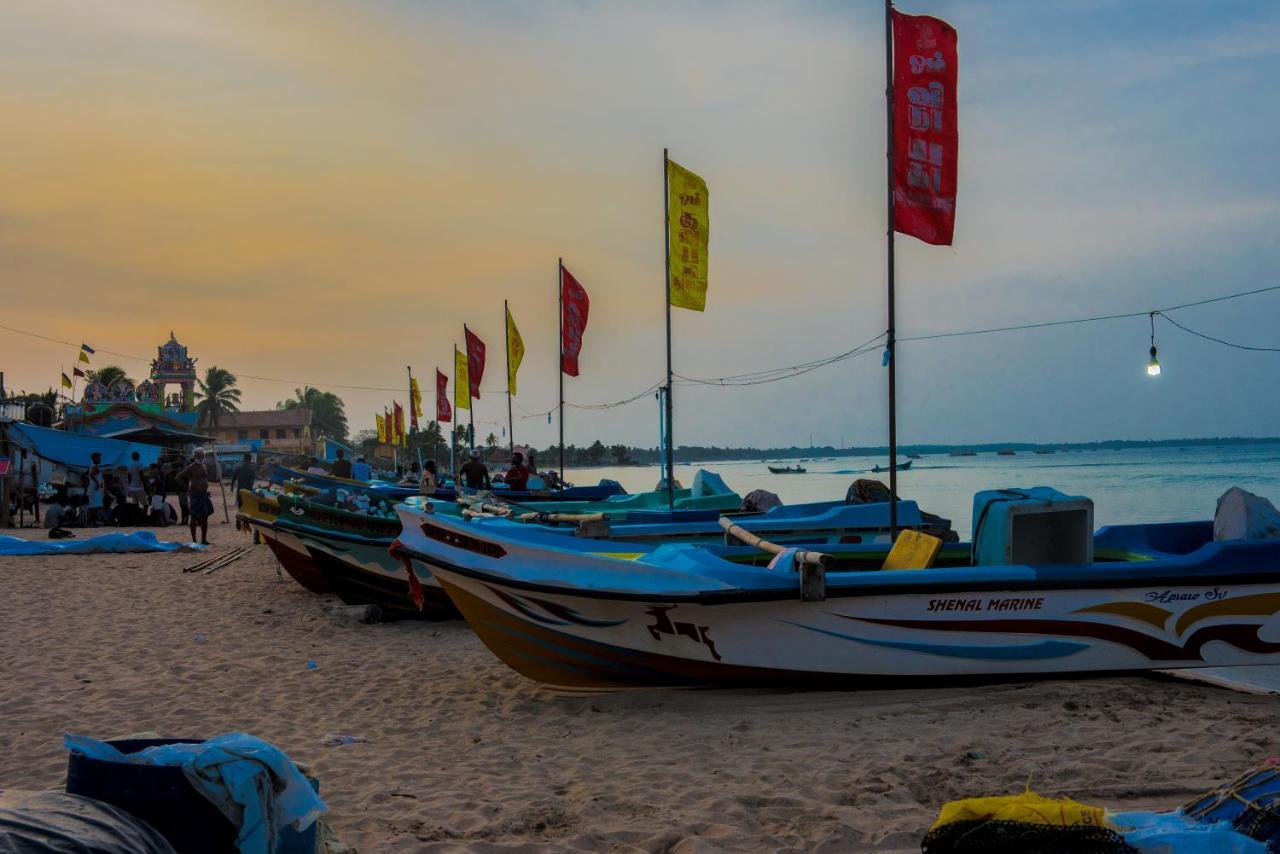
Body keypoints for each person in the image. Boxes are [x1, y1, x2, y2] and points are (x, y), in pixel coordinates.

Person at [177, 447, 215, 545]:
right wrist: (187, 488)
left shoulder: (204, 466)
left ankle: (203, 539)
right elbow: (178, 477)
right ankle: (194, 540)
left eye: (202, 455)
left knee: (205, 516)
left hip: (204, 494)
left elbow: (207, 478)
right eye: (199, 455)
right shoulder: (191, 467)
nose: (202, 456)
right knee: (194, 516)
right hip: (195, 495)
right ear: (196, 456)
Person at [83, 452, 105, 526]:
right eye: (98, 457)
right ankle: (93, 521)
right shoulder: (95, 466)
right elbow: (92, 475)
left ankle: (92, 521)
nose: (100, 459)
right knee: (94, 506)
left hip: (92, 487)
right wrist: (97, 483)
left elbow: (85, 475)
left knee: (92, 505)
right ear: (94, 458)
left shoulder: (91, 466)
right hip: (95, 488)